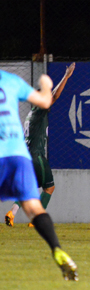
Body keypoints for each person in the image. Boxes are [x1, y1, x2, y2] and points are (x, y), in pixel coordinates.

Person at [0, 69, 78, 281]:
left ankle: (12, 213)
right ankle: (54, 246)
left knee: (28, 190)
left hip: (18, 153)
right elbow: (52, 97)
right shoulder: (12, 82)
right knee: (44, 192)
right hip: (27, 156)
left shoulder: (29, 115)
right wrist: (62, 79)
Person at [5, 62, 75, 227]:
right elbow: (55, 95)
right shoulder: (40, 111)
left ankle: (11, 213)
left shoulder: (31, 115)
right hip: (36, 156)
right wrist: (66, 76)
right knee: (49, 188)